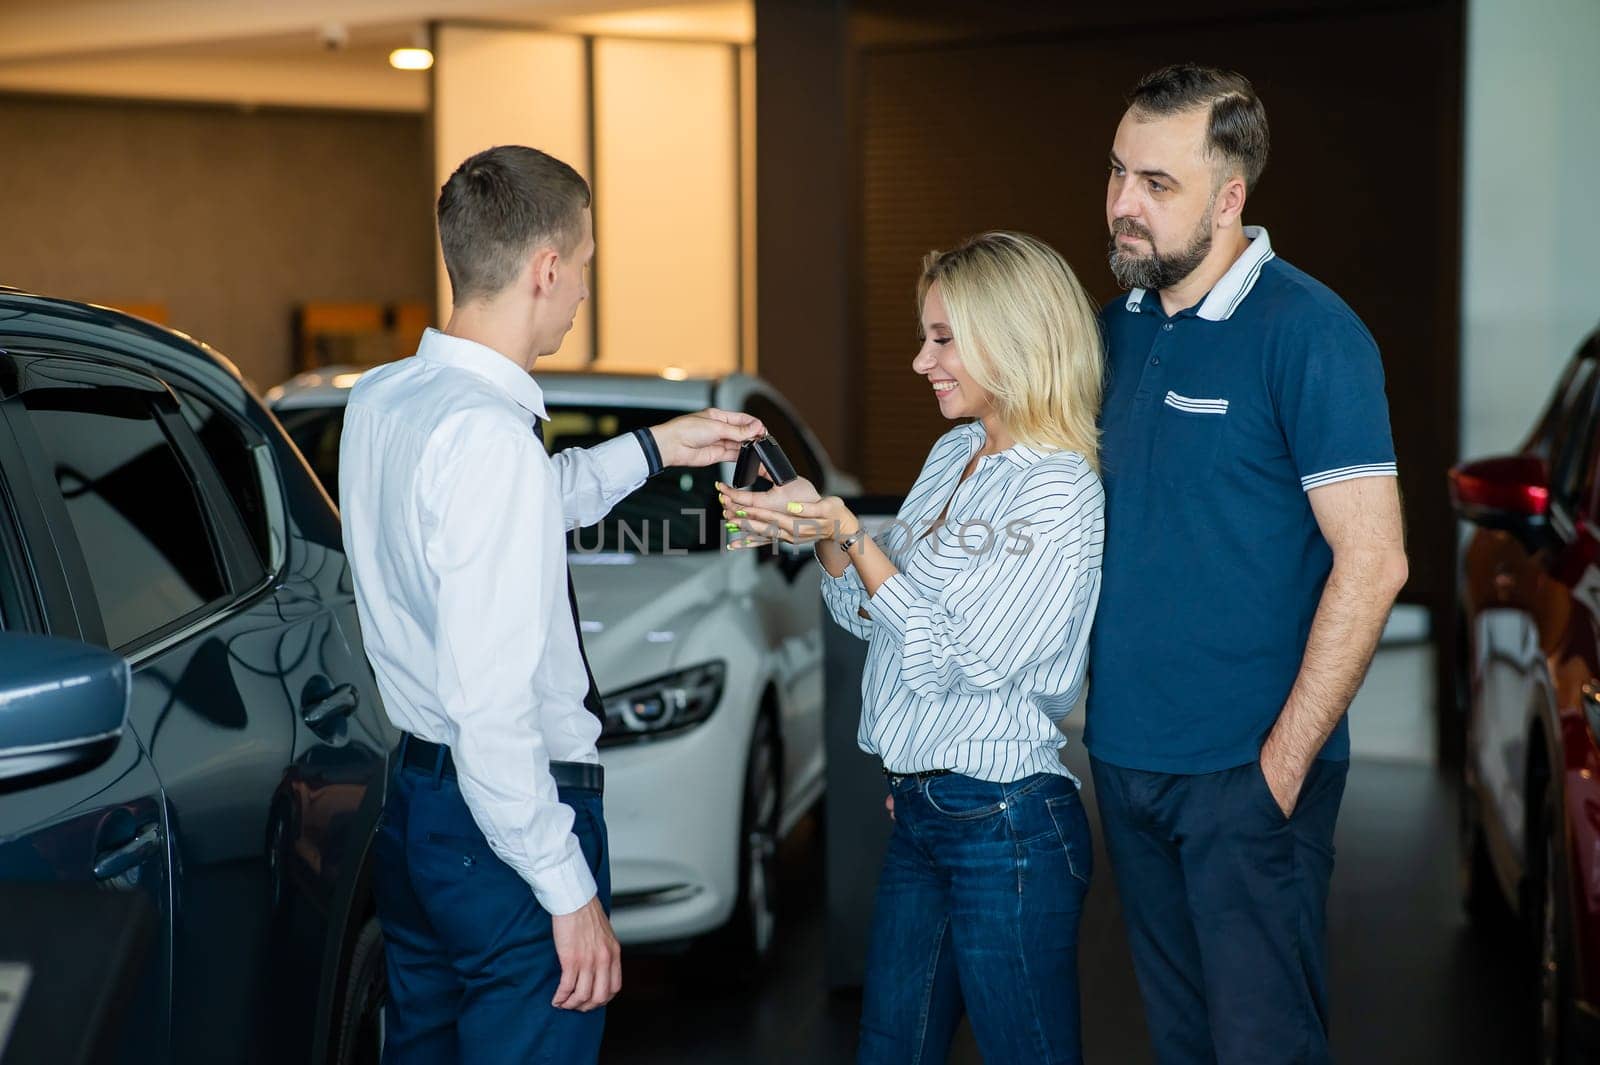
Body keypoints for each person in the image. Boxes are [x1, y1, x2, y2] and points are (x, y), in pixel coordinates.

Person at [338, 144, 764, 1064]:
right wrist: (568, 891)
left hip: (415, 806)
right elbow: (493, 710)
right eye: (587, 268)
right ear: (546, 269)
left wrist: (655, 449)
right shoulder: (487, 438)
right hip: (503, 828)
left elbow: (519, 506)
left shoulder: (385, 399)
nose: (583, 293)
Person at [1086, 64, 1409, 1064]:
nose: (1123, 206)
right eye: (1116, 173)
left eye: (1157, 184)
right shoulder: (1115, 333)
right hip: (1128, 761)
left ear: (1230, 198)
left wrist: (1277, 768)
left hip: (1246, 774)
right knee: (1179, 1042)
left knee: (1261, 1045)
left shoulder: (1310, 334)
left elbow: (1376, 560)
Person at [718, 231, 1106, 1064]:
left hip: (1006, 822)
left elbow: (955, 653)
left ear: (1012, 337)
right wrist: (817, 528)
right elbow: (872, 618)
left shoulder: (1061, 486)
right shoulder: (954, 451)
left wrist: (852, 533)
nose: (920, 360)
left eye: (942, 338)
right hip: (924, 810)